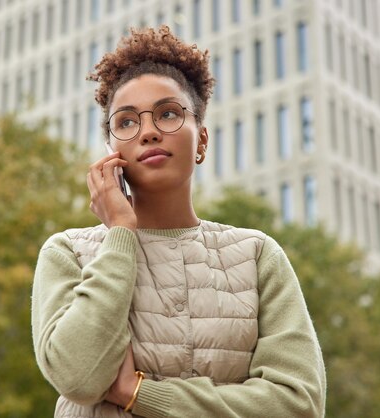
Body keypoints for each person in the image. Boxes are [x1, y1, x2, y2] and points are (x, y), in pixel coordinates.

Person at [31, 26, 326, 418]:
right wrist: (119, 231)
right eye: (126, 122)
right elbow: (78, 378)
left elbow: (298, 404)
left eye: (168, 114)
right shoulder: (68, 252)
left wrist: (139, 393)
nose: (149, 132)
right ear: (110, 149)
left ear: (201, 140)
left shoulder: (257, 255)